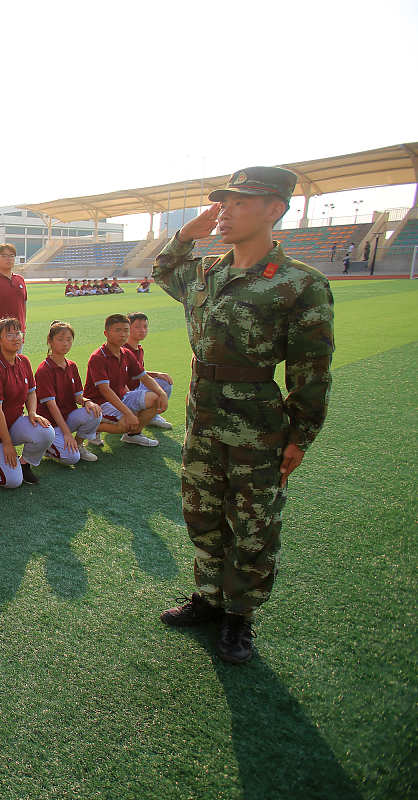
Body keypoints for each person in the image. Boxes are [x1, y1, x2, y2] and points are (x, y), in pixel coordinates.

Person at [154, 166, 334, 664]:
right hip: (203, 415)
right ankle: (209, 597)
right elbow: (165, 270)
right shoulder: (209, 270)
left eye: (240, 203)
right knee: (201, 510)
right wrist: (185, 233)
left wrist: (300, 437)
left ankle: (239, 617)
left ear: (275, 209)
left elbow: (311, 372)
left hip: (256, 421)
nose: (225, 212)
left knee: (253, 522)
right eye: (223, 202)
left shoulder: (300, 284)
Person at [0, 318, 54, 487]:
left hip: (13, 423)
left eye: (18, 333)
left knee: (46, 432)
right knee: (12, 481)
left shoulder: (24, 361)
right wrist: (8, 444)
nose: (16, 338)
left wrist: (32, 412)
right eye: (9, 335)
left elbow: (31, 392)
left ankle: (24, 464)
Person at [83, 314, 169, 447]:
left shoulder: (126, 353)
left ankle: (133, 435)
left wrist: (162, 393)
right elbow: (105, 391)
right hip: (100, 402)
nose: (123, 334)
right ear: (106, 333)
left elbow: (144, 377)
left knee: (155, 397)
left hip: (121, 397)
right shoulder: (98, 357)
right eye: (118, 330)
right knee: (124, 424)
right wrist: (128, 413)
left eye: (126, 330)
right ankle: (92, 428)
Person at [35, 320, 103, 465]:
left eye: (69, 339)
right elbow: (51, 406)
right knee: (72, 458)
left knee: (95, 411)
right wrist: (67, 433)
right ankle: (47, 447)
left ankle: (77, 444)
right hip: (50, 423)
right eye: (60, 339)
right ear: (50, 341)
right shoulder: (44, 369)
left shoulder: (72, 365)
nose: (65, 343)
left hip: (66, 417)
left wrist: (87, 402)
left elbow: (78, 396)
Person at [124, 312, 174, 431]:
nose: (143, 330)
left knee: (165, 382)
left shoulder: (139, 349)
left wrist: (157, 374)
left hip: (136, 387)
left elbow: (139, 372)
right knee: (154, 395)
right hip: (124, 393)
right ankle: (134, 424)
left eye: (145, 326)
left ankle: (151, 417)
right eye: (138, 327)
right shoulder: (123, 351)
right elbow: (119, 380)